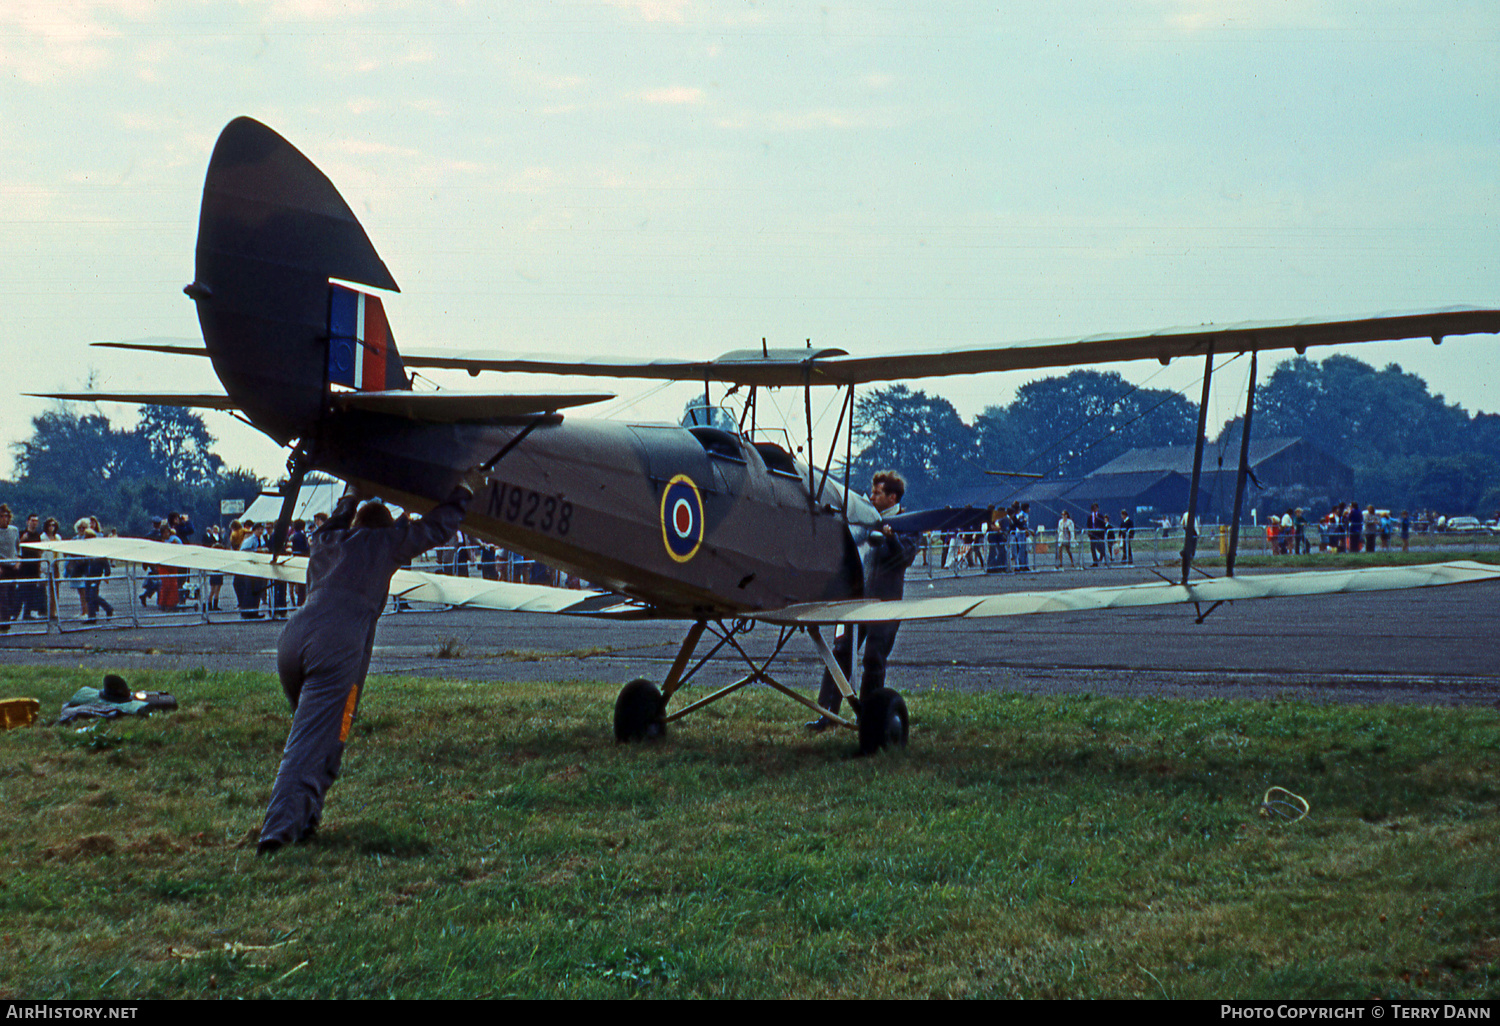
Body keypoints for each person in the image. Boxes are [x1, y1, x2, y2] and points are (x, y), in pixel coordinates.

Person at [258, 476, 477, 855]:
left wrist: (353, 491)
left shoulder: (325, 541)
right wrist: (466, 490)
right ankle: (276, 836)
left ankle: (306, 818)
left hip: (293, 639)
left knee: (333, 732)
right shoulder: (384, 544)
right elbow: (437, 527)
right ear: (384, 528)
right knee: (313, 744)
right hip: (338, 647)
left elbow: (337, 517)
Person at [805, 470, 918, 732]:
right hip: (856, 599)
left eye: (877, 492)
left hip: (885, 603)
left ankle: (868, 716)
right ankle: (827, 714)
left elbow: (904, 559)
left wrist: (891, 539)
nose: (871, 495)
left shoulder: (908, 524)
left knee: (874, 659)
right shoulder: (864, 519)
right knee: (840, 653)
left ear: (892, 497)